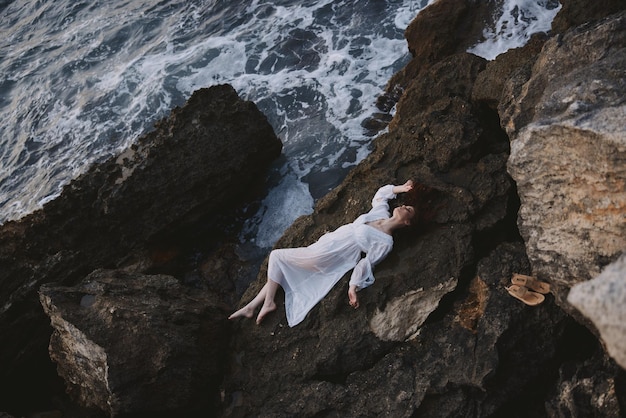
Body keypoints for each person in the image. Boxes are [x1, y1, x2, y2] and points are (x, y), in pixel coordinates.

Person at [229, 180, 416, 327]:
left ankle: (269, 302)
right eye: (406, 205)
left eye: (408, 209)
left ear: (407, 223)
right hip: (328, 243)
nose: (404, 206)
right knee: (282, 269)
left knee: (277, 257)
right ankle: (252, 306)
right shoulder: (380, 213)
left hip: (331, 255)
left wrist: (353, 287)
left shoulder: (385, 242)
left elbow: (367, 263)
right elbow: (381, 195)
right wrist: (403, 188)